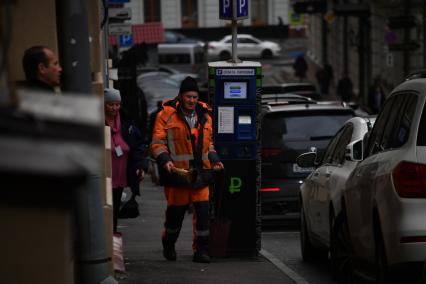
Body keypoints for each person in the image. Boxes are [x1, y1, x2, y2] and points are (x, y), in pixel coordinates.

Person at [150, 76, 224, 263]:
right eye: (188, 96)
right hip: (178, 176)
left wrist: (215, 160)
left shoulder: (206, 116)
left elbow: (210, 145)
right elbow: (157, 143)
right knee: (175, 217)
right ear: (181, 96)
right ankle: (169, 243)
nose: (191, 100)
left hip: (202, 175)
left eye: (194, 97)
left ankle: (201, 251)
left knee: (203, 217)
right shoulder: (165, 115)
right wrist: (165, 160)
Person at [104, 88, 147, 233]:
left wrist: (141, 165)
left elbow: (139, 144)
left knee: (115, 207)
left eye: (117, 104)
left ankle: (112, 234)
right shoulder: (100, 122)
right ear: (104, 105)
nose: (115, 108)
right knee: (105, 208)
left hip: (122, 174)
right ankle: (107, 237)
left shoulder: (126, 122)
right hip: (104, 174)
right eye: (111, 104)